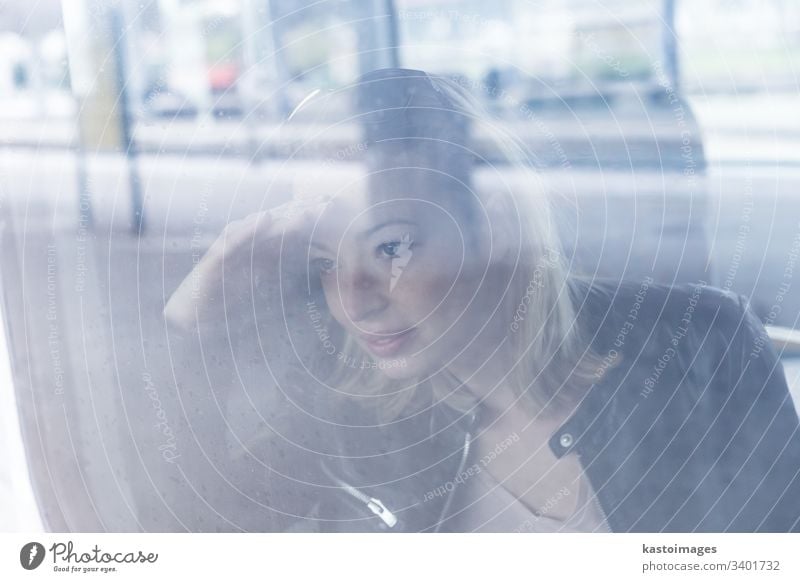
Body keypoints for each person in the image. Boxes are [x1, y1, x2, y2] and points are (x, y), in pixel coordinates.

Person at [163, 68, 800, 532]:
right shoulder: (360, 423)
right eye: (324, 263)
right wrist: (193, 316)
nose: (353, 303)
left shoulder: (699, 346)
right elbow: (190, 527)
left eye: (390, 248)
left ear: (488, 223)